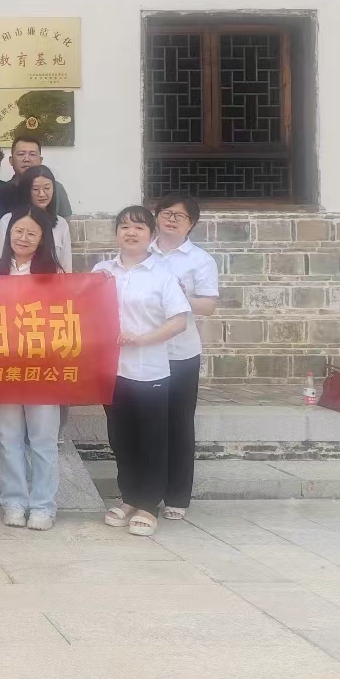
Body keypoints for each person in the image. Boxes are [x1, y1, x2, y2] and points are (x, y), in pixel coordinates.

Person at [93, 206, 192, 537]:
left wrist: (143, 339)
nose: (131, 232)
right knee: (121, 438)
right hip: (112, 370)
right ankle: (129, 498)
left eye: (138, 227)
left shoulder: (162, 275)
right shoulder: (102, 272)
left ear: (151, 235)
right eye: (124, 226)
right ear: (116, 233)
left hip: (150, 369)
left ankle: (149, 505)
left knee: (151, 438)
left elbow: (179, 321)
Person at [0, 205, 63, 531]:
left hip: (42, 366)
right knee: (8, 436)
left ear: (42, 239)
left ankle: (44, 505)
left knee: (43, 439)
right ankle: (14, 501)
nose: (23, 237)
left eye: (32, 233)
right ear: (8, 234)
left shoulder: (55, 275)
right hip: (3, 365)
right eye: (18, 231)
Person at [150, 193, 219, 522]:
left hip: (181, 353)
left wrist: (179, 296)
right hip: (144, 352)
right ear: (156, 216)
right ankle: (145, 491)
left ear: (191, 224)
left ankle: (177, 495)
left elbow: (209, 305)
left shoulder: (199, 259)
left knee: (178, 425)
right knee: (148, 425)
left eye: (180, 216)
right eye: (167, 213)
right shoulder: (143, 252)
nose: (172, 219)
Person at [0, 166, 73, 274]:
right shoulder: (7, 221)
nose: (42, 194)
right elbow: (0, 262)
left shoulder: (61, 224)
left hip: (50, 282)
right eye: (35, 189)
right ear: (26, 190)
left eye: (47, 188)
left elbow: (66, 267)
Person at [10, 134, 73, 218]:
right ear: (11, 160)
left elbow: (65, 221)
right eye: (21, 154)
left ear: (40, 160)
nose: (27, 159)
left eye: (32, 154)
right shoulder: (4, 190)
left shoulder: (57, 188)